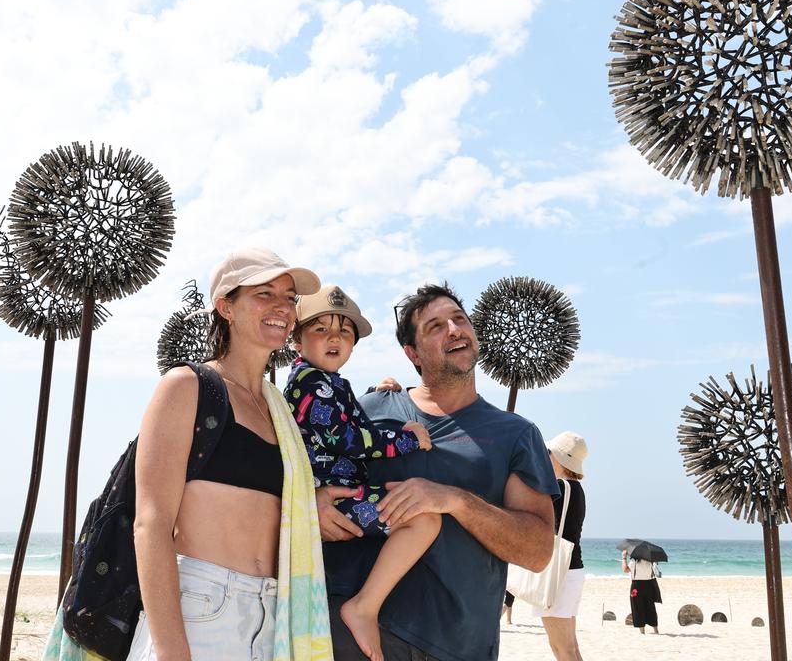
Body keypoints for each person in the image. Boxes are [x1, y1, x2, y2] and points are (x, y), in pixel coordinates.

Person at [66, 249, 330, 661]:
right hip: (200, 610)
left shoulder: (279, 410)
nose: (283, 306)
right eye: (264, 294)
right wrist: (172, 651)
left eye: (289, 297)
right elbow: (151, 524)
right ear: (226, 307)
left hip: (272, 617)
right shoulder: (188, 386)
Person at [318, 282, 560, 661]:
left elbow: (538, 552)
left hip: (460, 645)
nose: (453, 329)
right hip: (354, 635)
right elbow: (305, 460)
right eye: (435, 326)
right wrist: (313, 502)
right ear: (412, 352)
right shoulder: (370, 408)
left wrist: (455, 501)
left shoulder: (517, 435)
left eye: (459, 320)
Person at [284, 284, 441, 661]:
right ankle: (364, 608)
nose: (334, 337)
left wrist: (378, 391)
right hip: (336, 499)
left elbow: (339, 416)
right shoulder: (311, 385)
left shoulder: (322, 383)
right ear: (297, 342)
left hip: (334, 496)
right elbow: (345, 438)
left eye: (344, 331)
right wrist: (405, 440)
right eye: (320, 329)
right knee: (424, 519)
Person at [534, 432, 589, 661]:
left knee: (561, 647)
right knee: (570, 646)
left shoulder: (559, 487)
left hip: (559, 573)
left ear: (558, 458)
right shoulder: (576, 489)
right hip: (572, 570)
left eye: (549, 453)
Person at [622, 551, 661, 634]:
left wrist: (624, 558)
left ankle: (642, 631)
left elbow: (625, 569)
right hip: (649, 585)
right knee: (651, 608)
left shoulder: (634, 562)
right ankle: (655, 630)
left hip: (636, 586)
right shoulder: (650, 562)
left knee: (637, 608)